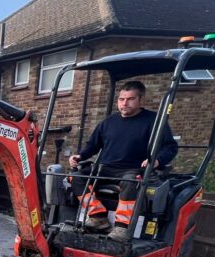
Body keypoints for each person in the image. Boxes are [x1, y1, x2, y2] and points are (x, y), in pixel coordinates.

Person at [68, 80, 177, 242]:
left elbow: (170, 147)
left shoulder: (154, 121)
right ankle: (98, 217)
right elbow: (93, 145)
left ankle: (122, 227)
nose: (124, 103)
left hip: (132, 170)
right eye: (121, 99)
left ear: (141, 100)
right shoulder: (108, 122)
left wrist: (156, 161)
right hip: (105, 168)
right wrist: (80, 156)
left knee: (130, 181)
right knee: (75, 177)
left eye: (130, 99)